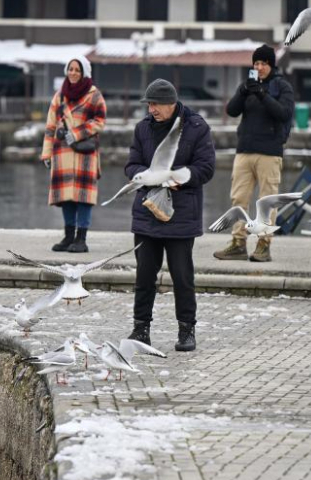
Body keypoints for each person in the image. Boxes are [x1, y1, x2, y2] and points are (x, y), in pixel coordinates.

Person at [125, 79, 215, 352]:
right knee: (144, 277)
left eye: (155, 104)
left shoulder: (197, 127)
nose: (151, 109)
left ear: (171, 103)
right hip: (147, 213)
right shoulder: (142, 129)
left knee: (182, 277)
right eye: (149, 104)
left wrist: (180, 178)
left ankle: (186, 331)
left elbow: (206, 168)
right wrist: (148, 176)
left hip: (181, 216)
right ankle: (141, 329)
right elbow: (131, 165)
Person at [214, 44, 295, 262]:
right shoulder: (248, 87)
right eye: (256, 63)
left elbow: (284, 113)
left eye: (263, 63)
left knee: (267, 201)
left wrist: (262, 94)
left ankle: (263, 245)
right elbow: (231, 110)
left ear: (271, 65)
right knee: (238, 198)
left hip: (269, 152)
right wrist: (243, 91)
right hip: (245, 150)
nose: (259, 67)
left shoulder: (282, 87)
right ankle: (238, 243)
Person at [40, 55, 106, 253]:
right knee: (67, 196)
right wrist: (46, 153)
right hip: (62, 152)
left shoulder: (94, 95)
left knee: (83, 196)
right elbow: (50, 126)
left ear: (84, 72)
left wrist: (75, 134)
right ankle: (69, 236)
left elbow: (100, 121)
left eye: (77, 70)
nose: (73, 73)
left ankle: (81, 238)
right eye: (70, 69)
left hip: (85, 152)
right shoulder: (59, 95)